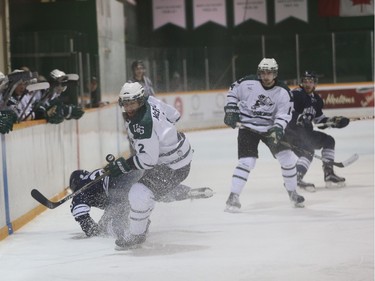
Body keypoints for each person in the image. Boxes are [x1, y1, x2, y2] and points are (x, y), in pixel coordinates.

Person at [101, 82, 210, 249]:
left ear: (140, 100)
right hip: (176, 158)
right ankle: (182, 193)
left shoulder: (142, 124)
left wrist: (122, 166)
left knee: (139, 193)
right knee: (151, 190)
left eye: (133, 103)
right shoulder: (151, 101)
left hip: (172, 166)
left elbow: (148, 160)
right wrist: (165, 137)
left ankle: (137, 235)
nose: (129, 108)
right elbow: (174, 116)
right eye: (126, 103)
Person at [223, 58, 305, 212]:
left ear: (275, 74)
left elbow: (283, 115)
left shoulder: (283, 92)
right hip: (247, 127)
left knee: (287, 158)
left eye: (269, 73)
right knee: (247, 161)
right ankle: (233, 196)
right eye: (263, 72)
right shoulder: (247, 83)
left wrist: (278, 129)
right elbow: (232, 92)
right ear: (259, 72)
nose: (266, 76)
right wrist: (231, 109)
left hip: (270, 128)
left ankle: (293, 192)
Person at [70, 167, 212, 238]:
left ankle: (135, 230)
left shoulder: (79, 190)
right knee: (151, 190)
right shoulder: (93, 176)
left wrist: (94, 230)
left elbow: (81, 214)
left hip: (116, 188)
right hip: (129, 174)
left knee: (108, 223)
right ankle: (185, 192)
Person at [285, 71, 349, 192]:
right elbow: (287, 111)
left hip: (306, 133)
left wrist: (334, 121)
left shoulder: (317, 100)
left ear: (315, 84)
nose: (307, 84)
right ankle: (296, 178)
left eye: (310, 81)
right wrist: (299, 118)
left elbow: (320, 120)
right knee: (308, 151)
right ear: (301, 82)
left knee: (329, 141)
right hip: (291, 132)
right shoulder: (296, 94)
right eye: (305, 81)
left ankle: (329, 174)